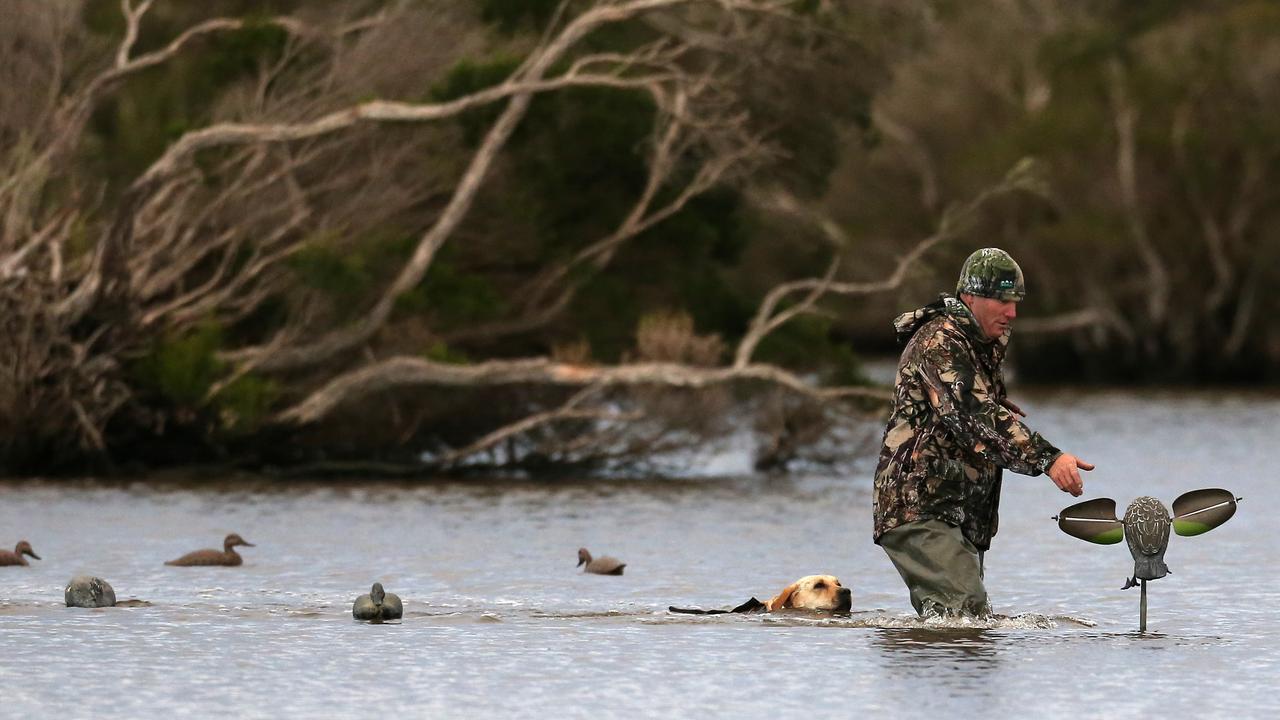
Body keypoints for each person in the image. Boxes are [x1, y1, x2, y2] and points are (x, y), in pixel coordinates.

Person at [872, 247, 1093, 617]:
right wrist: (1049, 459)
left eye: (1016, 301)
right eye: (1002, 301)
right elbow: (975, 416)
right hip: (919, 506)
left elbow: (976, 413)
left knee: (968, 627)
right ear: (970, 297)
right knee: (964, 611)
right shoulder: (939, 341)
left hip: (957, 511)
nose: (1012, 313)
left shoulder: (982, 345)